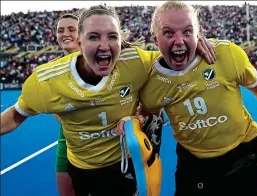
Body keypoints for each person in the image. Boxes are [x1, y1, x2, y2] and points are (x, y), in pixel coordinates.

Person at [0, 4, 215, 196]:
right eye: (94, 37)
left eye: (112, 37)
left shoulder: (135, 62)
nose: (105, 45)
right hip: (81, 167)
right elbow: (15, 115)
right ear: (79, 41)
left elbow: (173, 50)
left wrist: (193, 41)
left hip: (123, 165)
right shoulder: (47, 81)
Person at [135, 1, 257, 196]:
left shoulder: (226, 55)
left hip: (243, 152)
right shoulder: (151, 81)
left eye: (187, 32)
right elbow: (150, 110)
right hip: (194, 162)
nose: (179, 41)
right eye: (168, 33)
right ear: (155, 38)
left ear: (198, 33)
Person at [53, 13, 79, 196]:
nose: (65, 34)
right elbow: (57, 114)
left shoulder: (100, 63)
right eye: (60, 30)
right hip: (67, 141)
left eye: (71, 29)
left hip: (103, 144)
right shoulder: (52, 69)